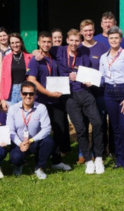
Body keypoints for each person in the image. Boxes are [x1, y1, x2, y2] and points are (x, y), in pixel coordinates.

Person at [58, 29, 104, 175]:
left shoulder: (83, 54)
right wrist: (35, 53)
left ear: (80, 41)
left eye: (77, 41)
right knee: (80, 129)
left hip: (85, 92)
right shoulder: (58, 51)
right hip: (69, 95)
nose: (74, 43)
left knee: (97, 122)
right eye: (71, 40)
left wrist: (89, 81)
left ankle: (99, 157)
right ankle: (88, 160)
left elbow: (88, 72)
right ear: (67, 40)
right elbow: (40, 49)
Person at [26, 31, 71, 171]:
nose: (46, 44)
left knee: (60, 130)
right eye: (43, 41)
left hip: (57, 101)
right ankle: (39, 162)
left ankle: (56, 161)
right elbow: (31, 81)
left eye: (48, 41)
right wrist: (49, 93)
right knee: (41, 132)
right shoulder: (35, 60)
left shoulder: (54, 57)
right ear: (39, 43)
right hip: (42, 102)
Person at [99, 26, 124, 172]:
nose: (114, 40)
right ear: (108, 40)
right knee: (115, 129)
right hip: (109, 93)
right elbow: (102, 77)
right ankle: (120, 159)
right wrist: (92, 81)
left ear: (120, 39)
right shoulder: (104, 57)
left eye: (116, 38)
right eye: (111, 38)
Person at [7, 81, 55, 180]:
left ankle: (39, 167)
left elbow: (47, 129)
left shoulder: (41, 108)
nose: (28, 96)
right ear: (21, 94)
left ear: (35, 94)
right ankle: (19, 165)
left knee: (49, 141)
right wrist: (20, 144)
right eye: (25, 93)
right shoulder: (13, 109)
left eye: (31, 94)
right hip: (19, 143)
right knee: (15, 157)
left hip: (34, 141)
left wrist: (31, 141)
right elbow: (10, 130)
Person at [81, 19, 114, 159]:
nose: (88, 33)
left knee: (98, 122)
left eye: (90, 30)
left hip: (99, 91)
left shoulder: (102, 47)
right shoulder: (77, 47)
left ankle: (98, 150)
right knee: (83, 122)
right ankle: (82, 152)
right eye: (85, 30)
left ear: (94, 31)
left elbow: (108, 67)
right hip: (82, 91)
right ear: (81, 32)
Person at [0, 33, 32, 110]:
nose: (15, 45)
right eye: (12, 43)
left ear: (21, 43)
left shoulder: (29, 57)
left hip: (25, 90)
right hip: (10, 92)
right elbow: (3, 79)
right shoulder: (6, 59)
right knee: (11, 117)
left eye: (17, 42)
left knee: (25, 116)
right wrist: (3, 99)